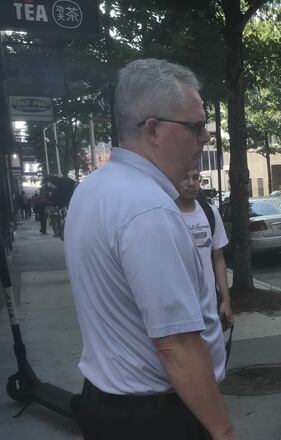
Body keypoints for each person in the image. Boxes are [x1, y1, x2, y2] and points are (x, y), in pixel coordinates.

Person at [64, 59, 234, 440]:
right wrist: (223, 431)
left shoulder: (94, 189)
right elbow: (176, 343)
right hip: (157, 417)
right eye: (195, 126)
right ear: (153, 129)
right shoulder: (150, 210)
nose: (206, 136)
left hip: (107, 404)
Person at [176, 168, 233, 329]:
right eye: (185, 177)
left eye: (195, 177)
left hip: (210, 307)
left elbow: (219, 260)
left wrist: (226, 301)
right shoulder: (166, 214)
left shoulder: (210, 213)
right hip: (180, 311)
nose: (191, 183)